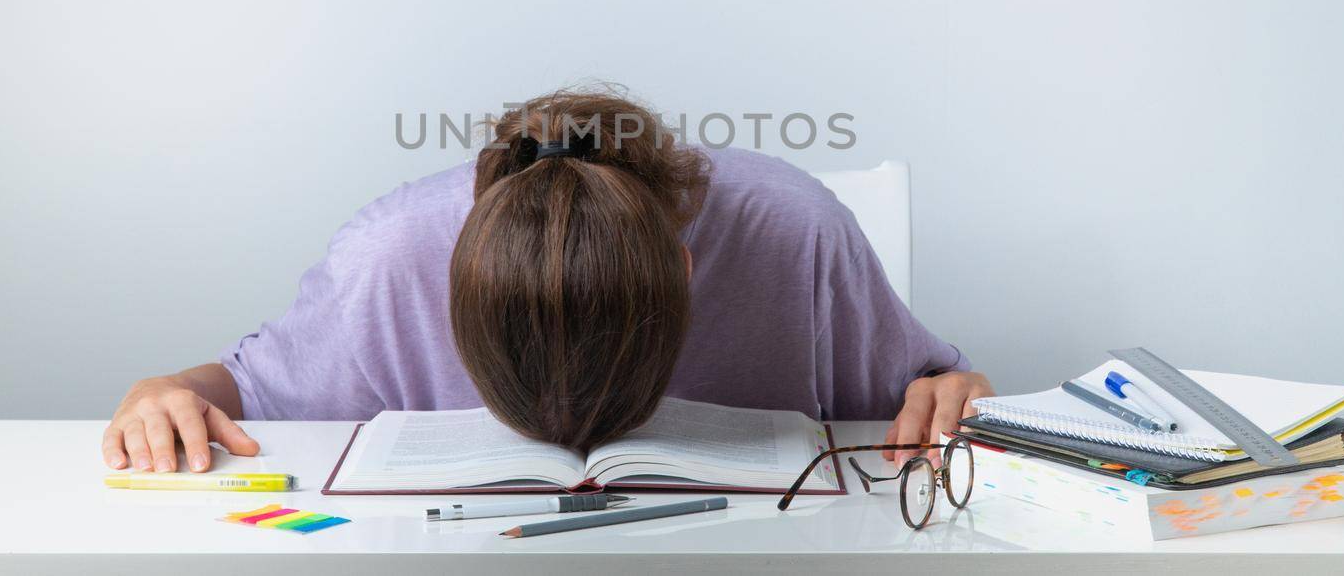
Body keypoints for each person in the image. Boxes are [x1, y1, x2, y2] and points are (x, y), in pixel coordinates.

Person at [102, 90, 992, 474]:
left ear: (681, 276)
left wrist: (963, 394)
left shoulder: (795, 233)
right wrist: (167, 389)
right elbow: (250, 392)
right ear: (451, 279)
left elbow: (935, 388)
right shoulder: (389, 259)